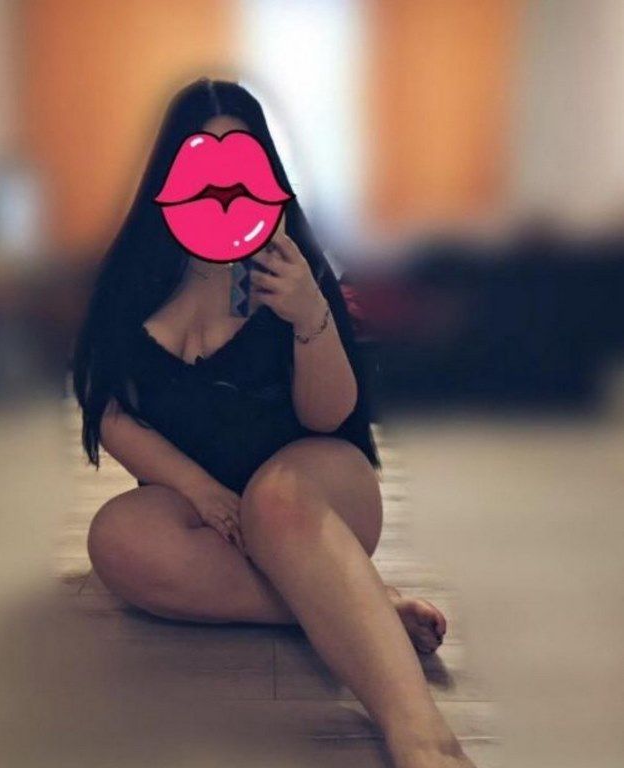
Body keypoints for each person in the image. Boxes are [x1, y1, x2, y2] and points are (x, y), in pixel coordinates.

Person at [70, 77, 475, 768]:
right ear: (169, 173)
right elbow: (108, 408)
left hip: (318, 493)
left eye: (241, 164)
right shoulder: (134, 280)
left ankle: (424, 739)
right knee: (116, 537)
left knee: (277, 499)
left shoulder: (293, 272)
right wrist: (198, 489)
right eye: (202, 164)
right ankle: (361, 606)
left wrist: (308, 314)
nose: (222, 189)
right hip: (209, 515)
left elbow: (329, 415)